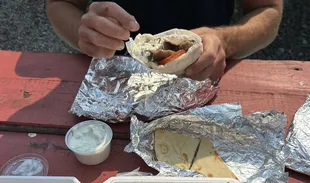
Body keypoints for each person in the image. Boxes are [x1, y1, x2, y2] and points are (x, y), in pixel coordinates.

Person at [46, 0, 283, 80]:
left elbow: (268, 9)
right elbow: (60, 4)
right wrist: (83, 32)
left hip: (207, 75)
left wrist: (225, 40)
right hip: (111, 84)